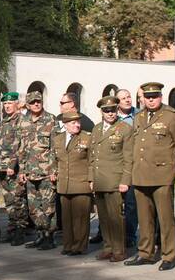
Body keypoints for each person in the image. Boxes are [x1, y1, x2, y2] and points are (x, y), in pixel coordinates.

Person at [126, 81, 175, 270]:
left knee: (166, 217)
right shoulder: (139, 117)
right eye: (148, 97)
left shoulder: (171, 117)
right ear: (143, 99)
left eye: (155, 97)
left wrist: (174, 168)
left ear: (161, 97)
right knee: (144, 218)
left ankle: (169, 254)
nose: (151, 101)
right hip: (141, 174)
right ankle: (146, 252)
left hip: (162, 174)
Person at [89, 96, 133, 262]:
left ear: (117, 110)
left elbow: (129, 158)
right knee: (104, 218)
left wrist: (125, 181)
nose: (110, 113)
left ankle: (119, 250)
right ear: (102, 112)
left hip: (115, 181)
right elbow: (92, 157)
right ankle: (107, 248)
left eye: (113, 110)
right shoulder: (97, 129)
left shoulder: (125, 129)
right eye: (106, 110)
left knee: (116, 218)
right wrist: (91, 178)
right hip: (100, 180)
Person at [17, 90, 57, 250]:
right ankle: (41, 234)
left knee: (48, 207)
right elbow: (21, 149)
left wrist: (54, 170)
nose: (36, 104)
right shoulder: (23, 121)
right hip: (30, 172)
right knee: (34, 208)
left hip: (46, 173)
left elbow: (55, 147)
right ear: (27, 104)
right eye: (33, 102)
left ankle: (49, 236)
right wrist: (21, 171)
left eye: (38, 101)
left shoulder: (50, 119)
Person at [0, 92, 29, 246]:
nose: (7, 106)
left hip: (15, 169)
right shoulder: (3, 122)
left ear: (17, 104)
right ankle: (12, 229)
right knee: (9, 201)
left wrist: (13, 165)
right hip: (2, 169)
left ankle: (20, 231)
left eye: (10, 103)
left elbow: (22, 146)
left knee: (18, 200)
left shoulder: (22, 121)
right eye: (5, 104)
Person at [53, 110, 93, 255]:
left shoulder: (87, 138)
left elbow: (92, 161)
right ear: (65, 125)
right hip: (64, 184)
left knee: (80, 218)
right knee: (66, 218)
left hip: (81, 183)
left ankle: (79, 246)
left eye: (78, 122)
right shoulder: (58, 139)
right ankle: (68, 245)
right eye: (73, 122)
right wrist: (54, 173)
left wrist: (92, 179)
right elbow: (55, 160)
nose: (77, 125)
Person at [115, 89, 139, 248]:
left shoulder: (138, 116)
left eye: (128, 97)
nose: (127, 100)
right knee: (113, 203)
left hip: (132, 164)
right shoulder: (112, 116)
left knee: (131, 203)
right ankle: (109, 234)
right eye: (123, 98)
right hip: (115, 165)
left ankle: (130, 235)